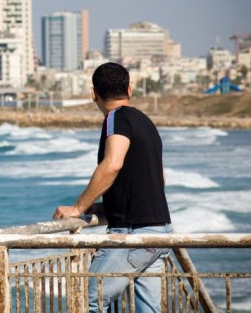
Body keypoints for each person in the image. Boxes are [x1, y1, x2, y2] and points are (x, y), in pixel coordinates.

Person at [53, 62, 172, 312]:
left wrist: (78, 208)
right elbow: (157, 178)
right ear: (129, 89)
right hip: (160, 231)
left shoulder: (116, 119)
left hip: (133, 233)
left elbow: (113, 164)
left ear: (93, 93)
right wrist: (105, 206)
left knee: (87, 299)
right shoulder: (145, 122)